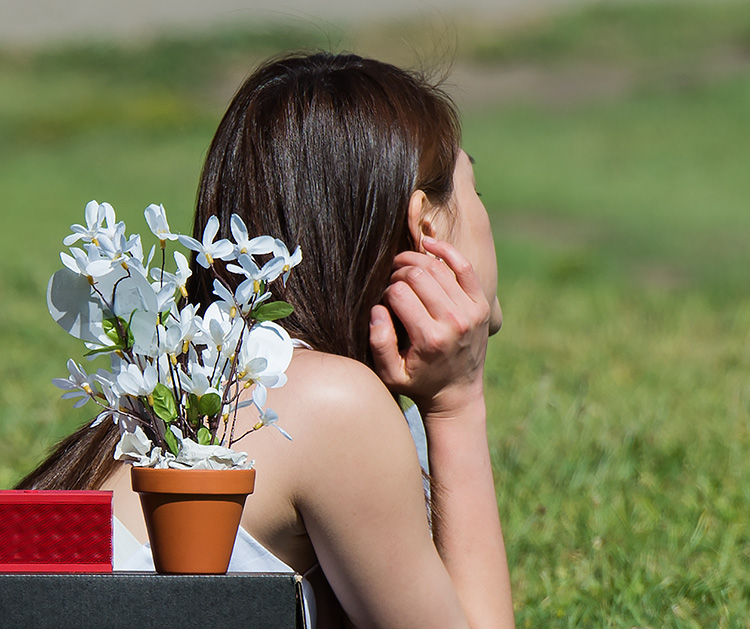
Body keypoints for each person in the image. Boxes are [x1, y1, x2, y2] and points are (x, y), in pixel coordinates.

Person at [19, 52, 514, 628]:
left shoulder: (189, 390)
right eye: (477, 190)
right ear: (425, 228)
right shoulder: (334, 405)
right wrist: (458, 405)